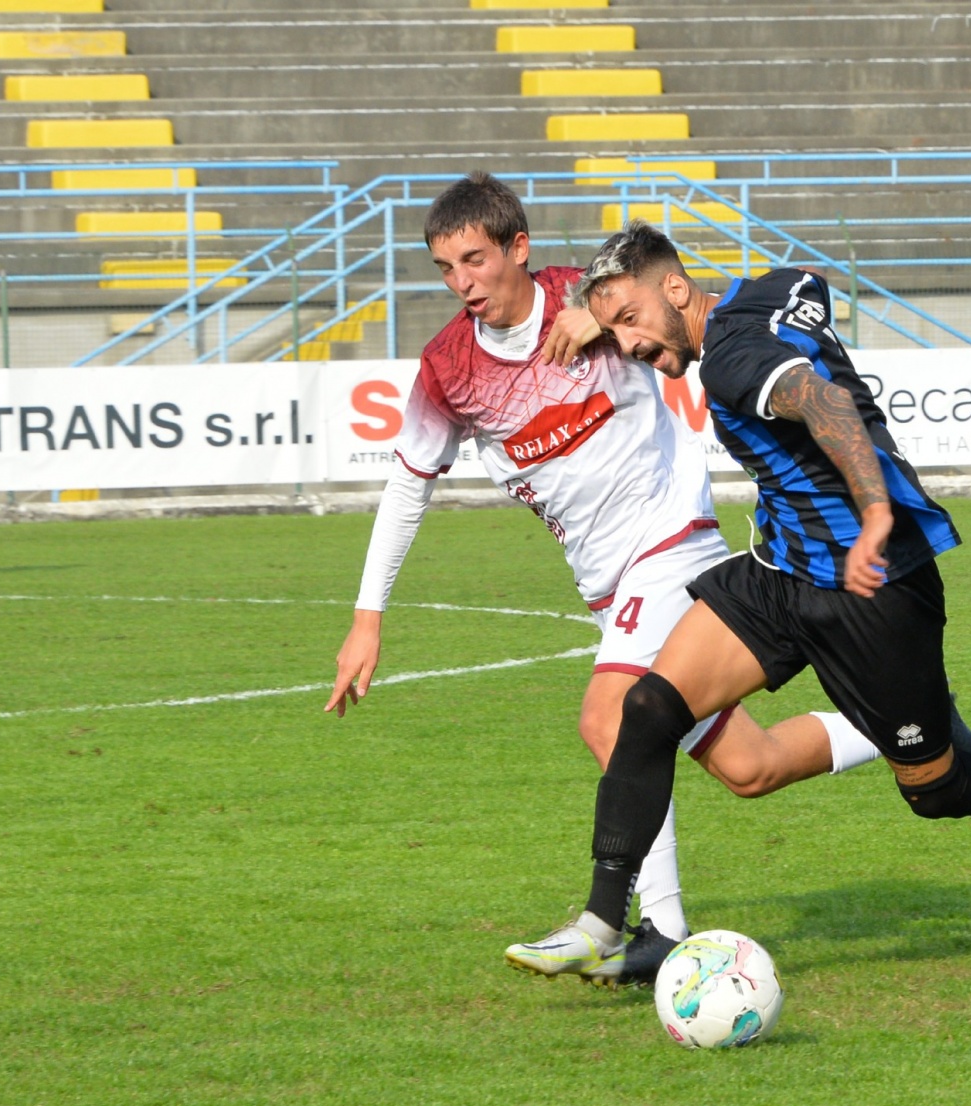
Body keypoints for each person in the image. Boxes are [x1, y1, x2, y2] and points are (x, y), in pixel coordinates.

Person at [325, 174, 905, 986]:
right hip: (605, 582)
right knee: (751, 767)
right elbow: (407, 485)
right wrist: (368, 617)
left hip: (671, 539)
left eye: (475, 259)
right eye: (445, 268)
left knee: (609, 718)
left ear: (517, 249)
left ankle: (654, 930)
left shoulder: (597, 300)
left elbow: (676, 301)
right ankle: (903, 724)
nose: (462, 282)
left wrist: (590, 313)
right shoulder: (449, 367)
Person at [504, 220, 971, 980]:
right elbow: (804, 284)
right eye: (616, 328)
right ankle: (604, 921)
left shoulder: (728, 362)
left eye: (632, 322)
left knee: (934, 787)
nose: (627, 347)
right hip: (781, 572)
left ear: (679, 292)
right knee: (649, 709)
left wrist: (876, 510)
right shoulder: (764, 296)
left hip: (873, 589)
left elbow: (819, 400)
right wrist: (609, 306)